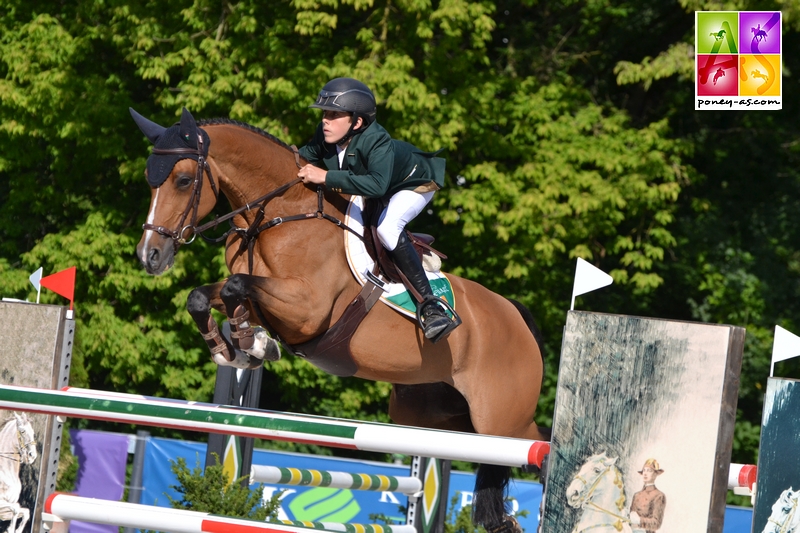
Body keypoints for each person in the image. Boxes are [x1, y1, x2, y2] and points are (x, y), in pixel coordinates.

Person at [296, 77, 458, 342]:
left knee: (387, 227)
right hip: (378, 181)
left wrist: (325, 177)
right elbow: (301, 159)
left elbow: (376, 186)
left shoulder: (376, 139)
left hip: (413, 182)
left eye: (334, 115)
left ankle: (431, 307)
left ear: (357, 122)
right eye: (325, 113)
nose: (325, 120)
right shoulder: (325, 135)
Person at [629, 458, 666, 533]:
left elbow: (656, 523)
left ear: (655, 474)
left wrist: (639, 520)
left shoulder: (659, 495)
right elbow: (630, 521)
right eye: (644, 470)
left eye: (649, 471)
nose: (645, 473)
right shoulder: (636, 495)